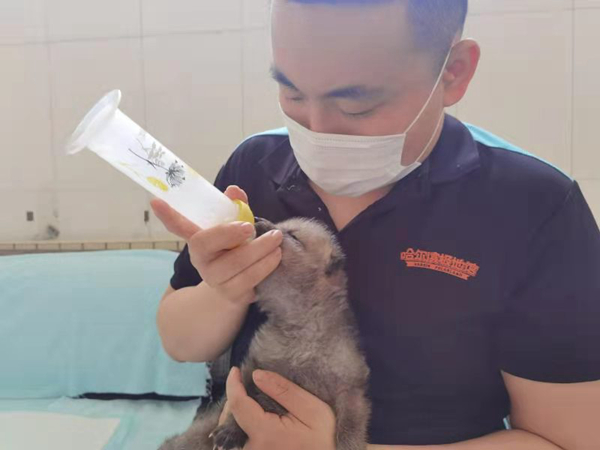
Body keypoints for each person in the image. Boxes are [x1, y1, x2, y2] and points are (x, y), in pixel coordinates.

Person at [152, 0, 600, 448]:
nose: (317, 129)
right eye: (292, 94)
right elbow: (180, 342)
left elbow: (569, 439)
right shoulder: (254, 164)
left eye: (356, 106)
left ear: (453, 72)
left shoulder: (534, 205)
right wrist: (225, 291)